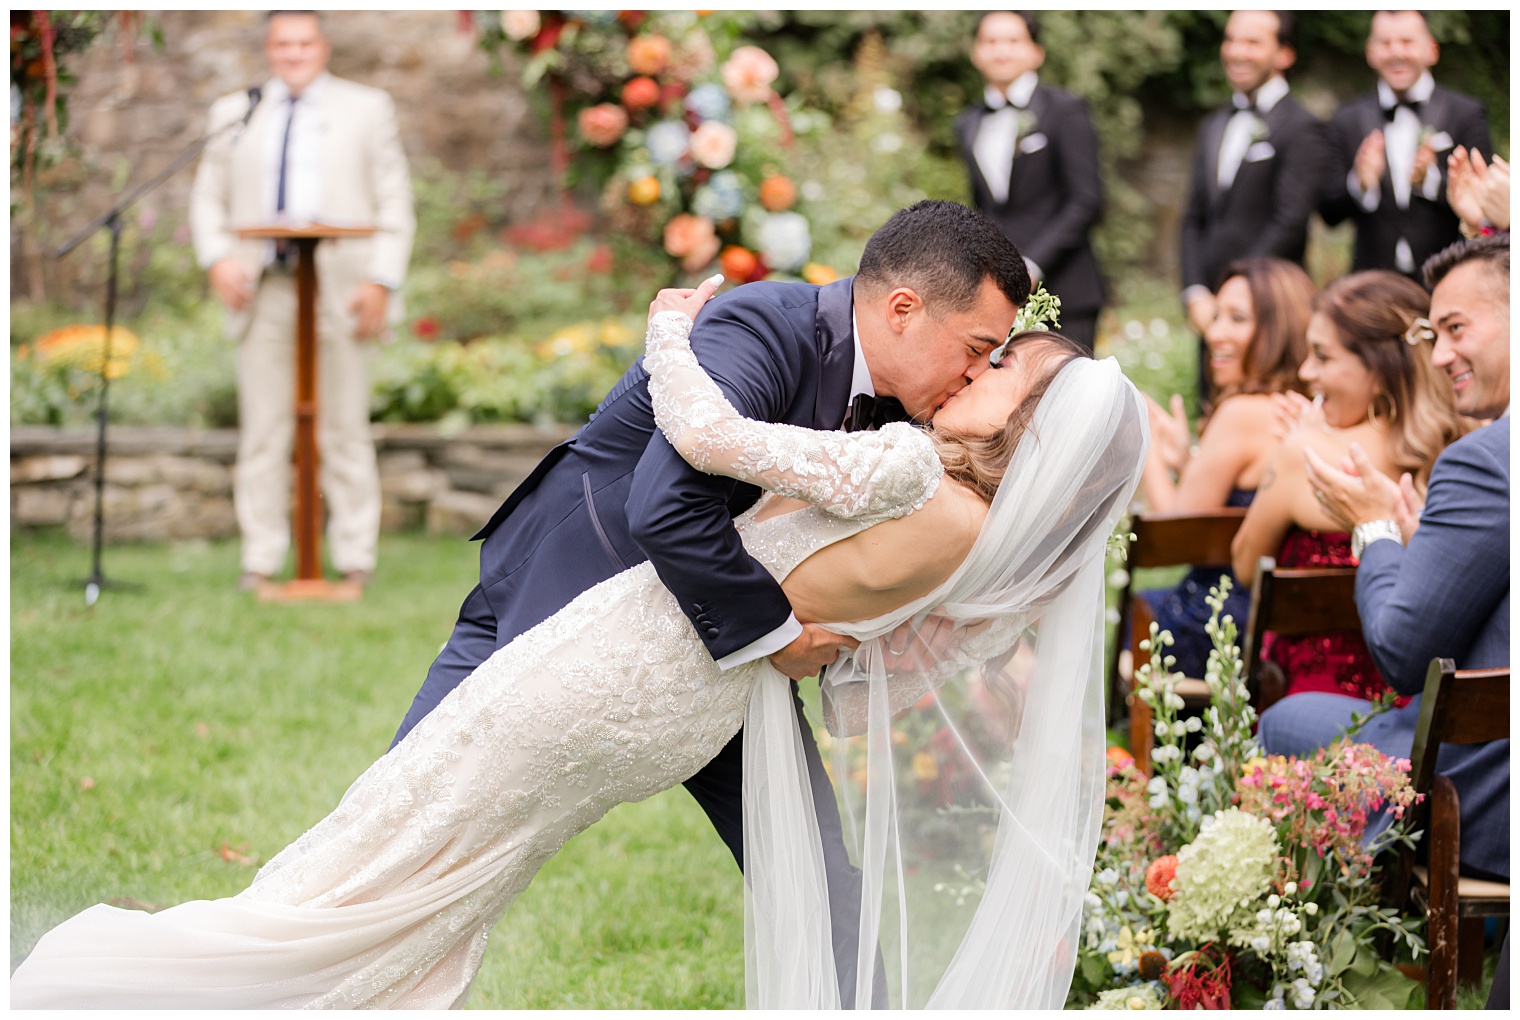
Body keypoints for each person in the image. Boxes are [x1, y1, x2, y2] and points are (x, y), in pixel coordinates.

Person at [10, 280, 1150, 1007]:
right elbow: (856, 669)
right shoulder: (963, 535)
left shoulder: (908, 474)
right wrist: (795, 639)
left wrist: (666, 324)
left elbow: (695, 448)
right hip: (685, 684)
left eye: (1002, 369)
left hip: (624, 654)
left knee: (411, 836)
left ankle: (167, 977)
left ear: (1027, 430)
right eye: (986, 348)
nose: (977, 370)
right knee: (453, 861)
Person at [387, 199, 1022, 1007]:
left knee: (812, 862)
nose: (976, 373)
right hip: (575, 593)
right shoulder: (764, 327)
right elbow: (664, 504)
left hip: (712, 646)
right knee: (414, 822)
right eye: (975, 349)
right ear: (904, 309)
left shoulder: (905, 411)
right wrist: (779, 634)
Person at [1294, 233, 1508, 889]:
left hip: (1484, 785)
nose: (1440, 354)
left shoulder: (1485, 460)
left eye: (1455, 328)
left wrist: (1375, 527)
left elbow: (1402, 653)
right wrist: (1426, 548)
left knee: (1282, 721)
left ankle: (1309, 936)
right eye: (1431, 334)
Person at [189, 11, 415, 590]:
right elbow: (207, 200)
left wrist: (381, 281)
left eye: (303, 42)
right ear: (269, 49)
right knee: (263, 430)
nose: (293, 53)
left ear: (323, 46)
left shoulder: (366, 108)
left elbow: (394, 201)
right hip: (263, 288)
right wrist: (218, 259)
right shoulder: (235, 112)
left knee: (344, 428)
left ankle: (354, 557)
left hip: (341, 286)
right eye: (282, 44)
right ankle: (260, 558)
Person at [1232, 270, 1469, 718]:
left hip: (1312, 706)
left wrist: (1293, 447)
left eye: (1322, 356)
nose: (1306, 372)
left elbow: (1245, 565)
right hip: (1427, 709)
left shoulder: (1304, 455)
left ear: (1380, 370)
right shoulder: (1458, 448)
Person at [1137, 257, 1313, 679]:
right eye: (1216, 317)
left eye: (1237, 319)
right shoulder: (1302, 410)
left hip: (1215, 627)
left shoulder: (1241, 413)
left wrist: (1138, 437)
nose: (1215, 333)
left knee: (1137, 609)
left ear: (1278, 329)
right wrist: (1185, 462)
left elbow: (1177, 534)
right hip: (1273, 623)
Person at [1179, 10, 1326, 401]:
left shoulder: (1302, 127)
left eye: (1252, 42)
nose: (1236, 52)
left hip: (1268, 311)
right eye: (1231, 40)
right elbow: (1194, 218)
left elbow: (1290, 222)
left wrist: (1231, 295)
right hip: (1211, 312)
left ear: (1284, 55)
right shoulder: (1213, 125)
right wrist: (1195, 292)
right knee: (1211, 413)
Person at [954, 10, 1105, 351]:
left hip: (1066, 292)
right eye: (990, 41)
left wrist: (1032, 264)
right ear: (976, 53)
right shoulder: (968, 122)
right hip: (997, 298)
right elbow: (985, 208)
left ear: (1037, 51)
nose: (1000, 50)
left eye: (1012, 40)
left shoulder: (1065, 110)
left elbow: (1086, 201)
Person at [1319, 10, 1492, 278]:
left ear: (1431, 50)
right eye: (1386, 43)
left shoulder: (1466, 114)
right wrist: (1360, 183)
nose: (1396, 52)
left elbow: (1485, 203)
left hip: (1450, 276)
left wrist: (1430, 181)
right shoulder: (1346, 119)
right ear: (1370, 52)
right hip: (1372, 282)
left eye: (1407, 42)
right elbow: (1329, 213)